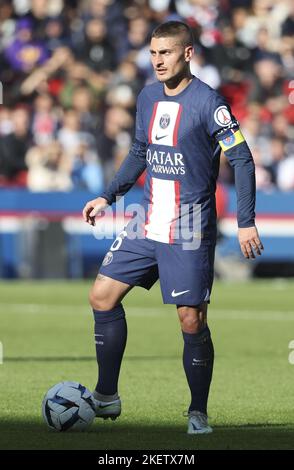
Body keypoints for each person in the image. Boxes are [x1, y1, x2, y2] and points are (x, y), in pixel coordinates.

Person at [83, 21, 264, 434]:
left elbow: (242, 159)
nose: (157, 61)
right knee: (101, 296)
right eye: (152, 53)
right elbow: (140, 152)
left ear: (187, 54)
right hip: (146, 219)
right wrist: (107, 196)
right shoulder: (147, 97)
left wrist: (246, 222)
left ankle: (197, 411)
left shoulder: (208, 102)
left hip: (188, 224)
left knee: (190, 319)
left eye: (165, 53)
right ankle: (106, 396)